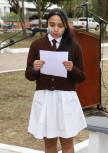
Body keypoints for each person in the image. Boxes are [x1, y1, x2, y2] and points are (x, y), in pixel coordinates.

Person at [25, 8, 86, 153]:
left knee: (66, 142)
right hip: (45, 99)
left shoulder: (74, 46)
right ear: (47, 24)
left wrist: (72, 69)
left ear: (66, 26)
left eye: (60, 26)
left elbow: (82, 77)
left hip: (65, 99)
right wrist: (34, 68)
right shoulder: (37, 45)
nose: (56, 29)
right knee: (49, 142)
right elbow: (29, 75)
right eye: (52, 25)